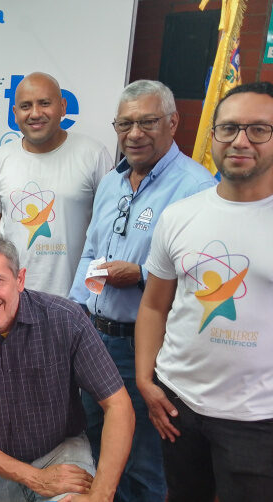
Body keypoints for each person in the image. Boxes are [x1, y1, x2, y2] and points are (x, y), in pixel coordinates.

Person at [68, 80, 216, 501]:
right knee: (95, 445)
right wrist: (77, 312)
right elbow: (91, 252)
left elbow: (206, 279)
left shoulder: (197, 188)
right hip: (95, 339)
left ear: (173, 123)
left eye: (148, 122)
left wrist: (142, 275)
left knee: (144, 462)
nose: (134, 134)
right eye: (125, 124)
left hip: (147, 348)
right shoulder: (111, 182)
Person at [136, 82, 273, 502]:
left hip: (257, 418)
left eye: (259, 129)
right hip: (178, 405)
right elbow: (154, 306)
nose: (240, 141)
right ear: (213, 135)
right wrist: (145, 379)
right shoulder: (179, 216)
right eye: (229, 128)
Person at [0, 233, 134, 502]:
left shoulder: (65, 319)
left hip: (61, 451)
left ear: (20, 279)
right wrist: (34, 477)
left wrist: (100, 495)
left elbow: (118, 405)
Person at [0, 72, 113, 297]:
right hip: (14, 299)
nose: (35, 113)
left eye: (44, 103)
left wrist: (92, 295)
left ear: (63, 107)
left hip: (76, 300)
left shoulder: (93, 154)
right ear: (15, 113)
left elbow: (110, 233)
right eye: (26, 106)